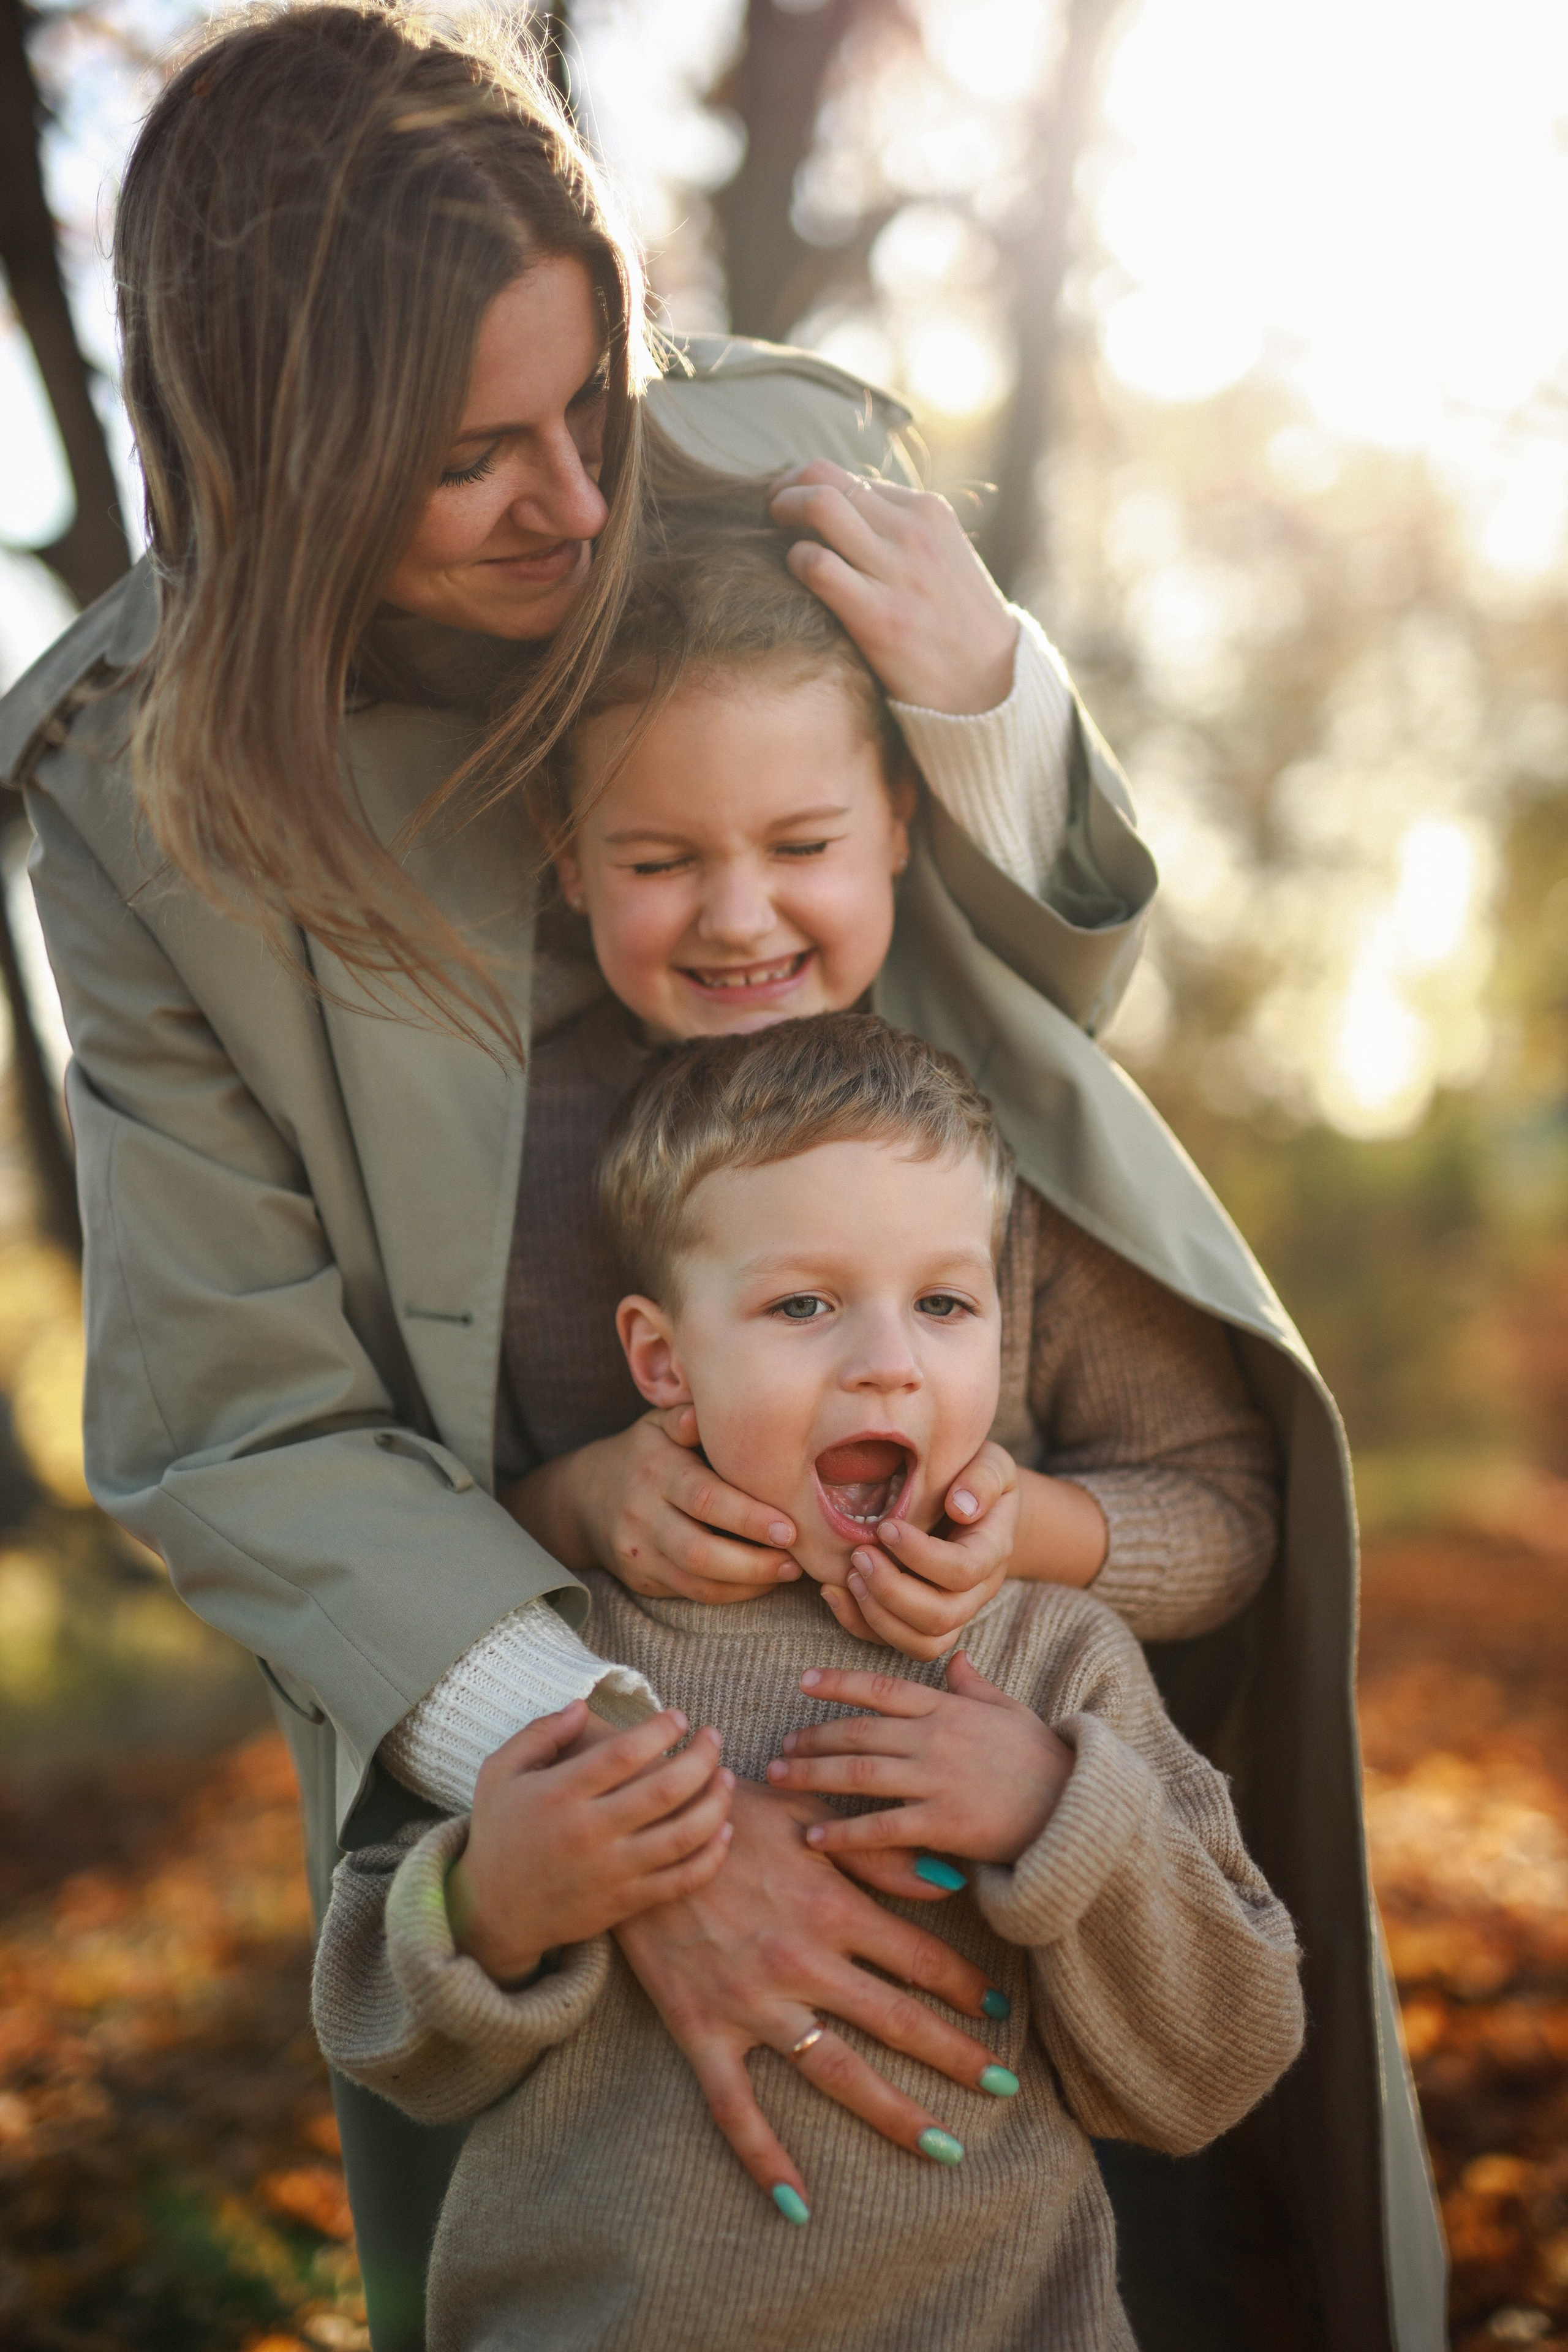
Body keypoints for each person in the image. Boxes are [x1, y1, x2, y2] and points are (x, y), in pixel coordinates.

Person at [0, 4, 1443, 2345]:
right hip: (543, 1657)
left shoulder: (759, 475)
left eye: (592, 397)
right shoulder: (129, 797)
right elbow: (236, 1413)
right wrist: (617, 1792)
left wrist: (991, 695)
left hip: (943, 1618)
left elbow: (1037, 1010)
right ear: (267, 452)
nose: (576, 502)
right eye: (473, 456)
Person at [313, 1015, 1306, 2352]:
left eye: (943, 1304)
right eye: (803, 1305)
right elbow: (382, 2040)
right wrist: (494, 1902)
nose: (889, 1360)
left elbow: (1221, 2059)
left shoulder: (1046, 1661)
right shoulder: (556, 1647)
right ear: (661, 1360)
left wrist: (1056, 1811)